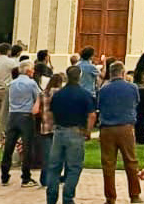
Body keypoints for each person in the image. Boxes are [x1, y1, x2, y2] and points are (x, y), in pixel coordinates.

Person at [46, 66, 96, 204]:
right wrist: (88, 131)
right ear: (79, 76)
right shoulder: (84, 94)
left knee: (54, 167)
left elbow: (50, 113)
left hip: (59, 131)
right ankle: (68, 197)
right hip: (76, 132)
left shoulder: (58, 94)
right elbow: (92, 115)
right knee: (74, 167)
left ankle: (51, 197)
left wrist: (53, 126)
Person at [97, 61, 144, 204]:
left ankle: (110, 197)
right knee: (131, 161)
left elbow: (99, 105)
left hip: (107, 128)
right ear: (123, 73)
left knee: (108, 164)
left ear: (111, 74)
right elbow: (136, 102)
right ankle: (134, 195)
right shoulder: (132, 87)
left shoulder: (103, 89)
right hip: (126, 127)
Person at [1, 62, 42, 187]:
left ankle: (4, 175)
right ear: (29, 71)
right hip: (26, 115)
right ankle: (25, 177)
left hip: (13, 115)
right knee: (27, 146)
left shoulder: (11, 84)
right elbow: (38, 96)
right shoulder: (31, 83)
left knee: (9, 146)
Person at [0, 44, 18, 140]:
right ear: (8, 51)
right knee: (4, 113)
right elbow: (16, 72)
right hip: (5, 88)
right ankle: (2, 135)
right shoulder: (11, 62)